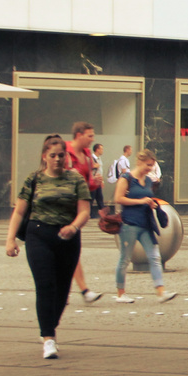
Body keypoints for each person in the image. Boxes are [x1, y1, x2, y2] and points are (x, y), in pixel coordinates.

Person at [4, 134, 92, 359]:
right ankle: (48, 338)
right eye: (52, 155)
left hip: (67, 237)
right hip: (39, 234)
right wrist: (10, 239)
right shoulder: (34, 179)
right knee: (45, 285)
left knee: (62, 290)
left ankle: (49, 324)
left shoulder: (75, 180)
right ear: (44, 157)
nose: (57, 159)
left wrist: (73, 227)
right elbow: (20, 210)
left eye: (61, 155)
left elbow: (84, 211)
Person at [111, 149, 177, 304]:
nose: (149, 168)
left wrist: (151, 203)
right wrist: (141, 201)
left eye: (152, 166)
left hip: (146, 224)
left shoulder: (148, 180)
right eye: (148, 165)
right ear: (139, 162)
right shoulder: (126, 178)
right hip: (130, 224)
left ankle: (160, 291)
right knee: (125, 259)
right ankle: (121, 293)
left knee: (154, 257)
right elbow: (118, 198)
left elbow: (147, 196)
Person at [64, 122, 105, 303]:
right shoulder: (64, 152)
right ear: (79, 135)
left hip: (78, 210)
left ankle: (68, 291)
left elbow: (87, 184)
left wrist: (95, 182)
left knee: (70, 251)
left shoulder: (88, 155)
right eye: (89, 135)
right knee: (68, 251)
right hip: (62, 208)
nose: (92, 139)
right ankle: (83, 290)